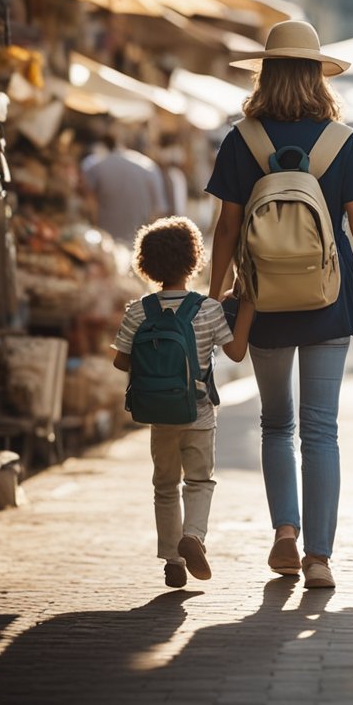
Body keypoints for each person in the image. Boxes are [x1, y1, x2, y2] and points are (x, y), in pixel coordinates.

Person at [206, 21, 353, 591]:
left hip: (259, 301)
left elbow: (227, 226)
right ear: (317, 74)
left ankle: (284, 532)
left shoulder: (244, 139)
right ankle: (319, 558)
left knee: (275, 423)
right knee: (320, 429)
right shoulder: (340, 140)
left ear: (265, 73)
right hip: (328, 297)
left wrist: (215, 296)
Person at [112, 217, 236, 589]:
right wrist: (245, 308)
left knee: (165, 485)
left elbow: (120, 360)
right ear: (193, 259)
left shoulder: (138, 311)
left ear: (145, 263)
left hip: (159, 415)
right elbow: (235, 351)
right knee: (199, 481)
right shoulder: (208, 309)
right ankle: (193, 537)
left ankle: (172, 558)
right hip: (198, 412)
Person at [82, 130, 166, 244]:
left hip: (105, 242)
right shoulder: (150, 167)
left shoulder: (96, 166)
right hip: (138, 244)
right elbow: (158, 212)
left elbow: (89, 203)